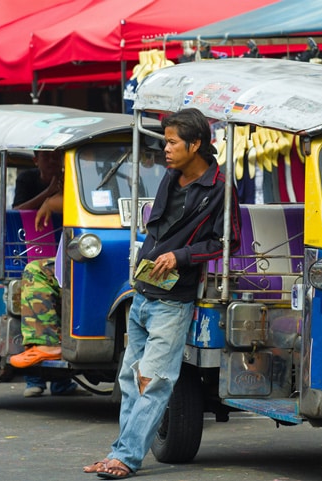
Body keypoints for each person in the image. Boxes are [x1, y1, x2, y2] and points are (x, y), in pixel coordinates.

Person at [83, 108, 241, 479]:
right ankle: (119, 452)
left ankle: (125, 457)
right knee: (129, 380)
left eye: (172, 142)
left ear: (196, 143)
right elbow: (157, 228)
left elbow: (226, 242)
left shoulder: (221, 188)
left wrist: (181, 255)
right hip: (142, 291)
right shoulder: (170, 178)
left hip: (173, 301)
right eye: (165, 141)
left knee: (153, 382)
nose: (166, 149)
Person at [11, 150, 76, 398]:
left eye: (55, 157)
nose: (51, 161)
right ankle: (33, 378)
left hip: (65, 245)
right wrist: (48, 194)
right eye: (46, 157)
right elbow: (18, 209)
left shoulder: (71, 176)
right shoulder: (27, 179)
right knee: (32, 296)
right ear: (36, 160)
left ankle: (62, 382)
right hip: (29, 242)